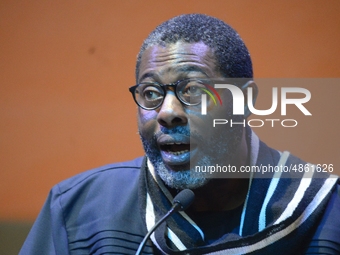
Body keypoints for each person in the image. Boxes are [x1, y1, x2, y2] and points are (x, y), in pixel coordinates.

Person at [20, 14, 339, 255]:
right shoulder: (81, 213)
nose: (167, 112)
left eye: (193, 89)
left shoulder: (327, 213)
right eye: (150, 93)